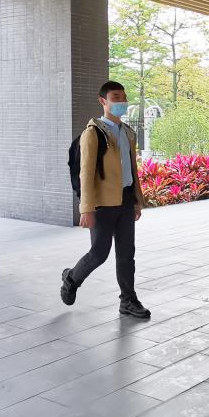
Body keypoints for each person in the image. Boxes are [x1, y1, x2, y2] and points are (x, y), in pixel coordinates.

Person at [59, 81, 151, 319]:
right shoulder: (93, 133)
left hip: (125, 200)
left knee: (126, 254)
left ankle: (128, 300)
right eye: (116, 97)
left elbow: (132, 169)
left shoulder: (127, 132)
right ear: (103, 101)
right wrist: (86, 208)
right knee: (99, 253)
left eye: (124, 97)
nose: (122, 101)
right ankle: (71, 279)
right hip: (102, 204)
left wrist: (136, 200)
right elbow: (86, 172)